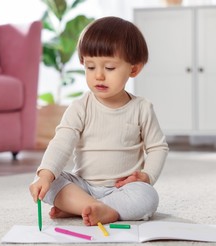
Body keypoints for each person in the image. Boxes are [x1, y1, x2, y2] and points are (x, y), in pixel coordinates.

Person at [29, 16, 169, 226]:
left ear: (133, 69)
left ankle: (83, 207)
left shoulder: (142, 108)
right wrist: (46, 175)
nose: (99, 76)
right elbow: (62, 142)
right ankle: (96, 207)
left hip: (123, 188)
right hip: (83, 184)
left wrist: (147, 177)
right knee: (48, 183)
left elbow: (158, 147)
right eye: (90, 67)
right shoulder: (80, 107)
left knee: (147, 197)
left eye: (110, 68)